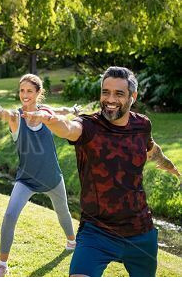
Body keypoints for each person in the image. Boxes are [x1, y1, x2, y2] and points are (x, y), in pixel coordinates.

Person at [21, 66, 181, 277]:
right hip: (97, 232)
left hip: (140, 233)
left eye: (119, 93)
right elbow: (69, 128)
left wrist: (167, 164)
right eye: (106, 92)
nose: (110, 99)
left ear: (133, 96)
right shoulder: (89, 126)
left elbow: (151, 148)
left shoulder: (142, 125)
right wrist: (51, 120)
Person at [0, 74, 79, 277]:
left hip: (52, 177)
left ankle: (72, 241)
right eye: (21, 91)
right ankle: (2, 265)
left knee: (63, 212)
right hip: (26, 180)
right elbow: (0, 111)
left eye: (29, 91)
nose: (24, 95)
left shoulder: (46, 113)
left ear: (38, 93)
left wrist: (72, 111)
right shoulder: (16, 118)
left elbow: (59, 111)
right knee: (10, 215)